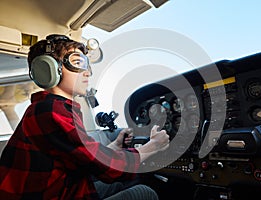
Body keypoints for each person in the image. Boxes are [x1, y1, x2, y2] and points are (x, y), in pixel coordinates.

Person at [0, 34, 169, 199]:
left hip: (63, 188)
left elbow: (83, 158)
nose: (87, 72)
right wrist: (153, 146)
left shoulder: (48, 108)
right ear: (50, 69)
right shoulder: (50, 112)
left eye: (86, 64)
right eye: (77, 63)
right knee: (144, 192)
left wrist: (115, 145)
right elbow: (106, 167)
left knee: (128, 181)